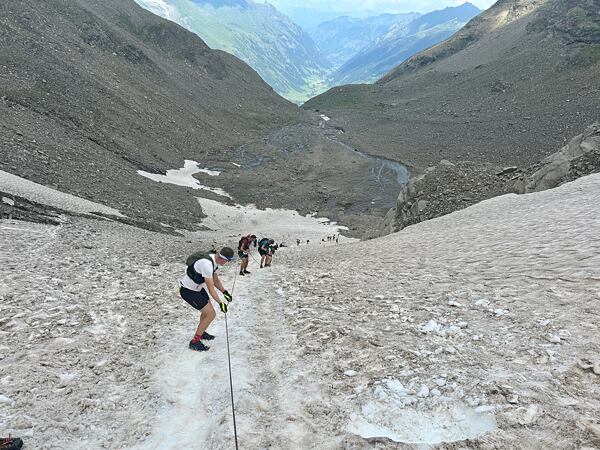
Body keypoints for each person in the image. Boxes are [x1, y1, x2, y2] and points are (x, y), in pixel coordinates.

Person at [179, 247, 235, 352]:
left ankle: (202, 331)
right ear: (223, 259)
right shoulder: (207, 264)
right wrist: (221, 303)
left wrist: (225, 292)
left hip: (197, 288)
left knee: (206, 312)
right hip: (188, 291)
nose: (227, 263)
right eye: (228, 261)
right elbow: (210, 287)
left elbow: (215, 280)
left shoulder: (214, 261)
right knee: (211, 314)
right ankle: (194, 342)